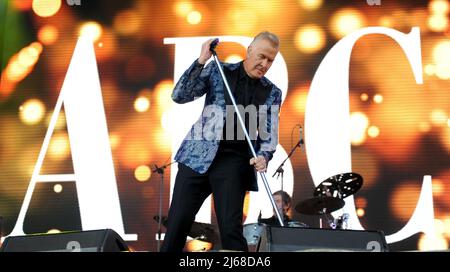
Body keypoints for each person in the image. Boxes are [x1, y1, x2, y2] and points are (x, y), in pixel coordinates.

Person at [160, 31, 282, 252]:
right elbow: (180, 95)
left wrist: (264, 155)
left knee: (231, 230)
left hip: (234, 162)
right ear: (250, 50)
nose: (264, 64)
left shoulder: (271, 92)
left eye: (270, 60)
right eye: (261, 56)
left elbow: (268, 134)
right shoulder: (219, 70)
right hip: (197, 157)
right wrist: (201, 61)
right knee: (178, 223)